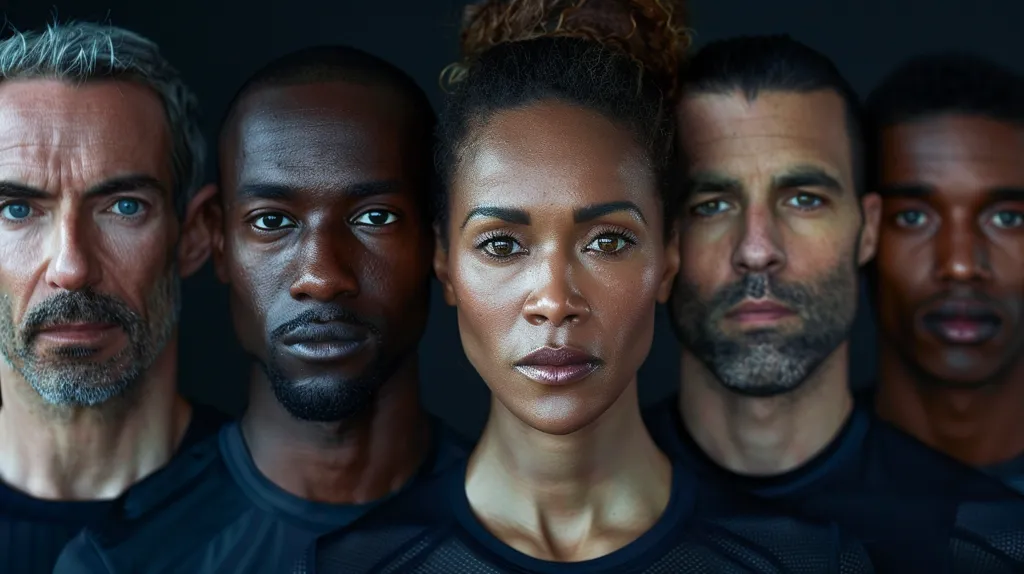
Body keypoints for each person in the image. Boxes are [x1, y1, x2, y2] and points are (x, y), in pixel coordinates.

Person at [309, 4, 874, 574]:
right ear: (444, 262)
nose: (554, 300)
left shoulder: (806, 562)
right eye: (502, 245)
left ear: (669, 254)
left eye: (606, 242)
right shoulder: (351, 567)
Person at [53, 46, 469, 574]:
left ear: (440, 245)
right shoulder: (120, 561)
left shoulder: (535, 538)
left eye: (375, 217)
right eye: (272, 222)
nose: (320, 277)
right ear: (218, 242)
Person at [645, 34, 1024, 572]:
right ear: (662, 241)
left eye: (804, 199)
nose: (757, 250)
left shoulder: (992, 542)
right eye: (711, 204)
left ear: (867, 231)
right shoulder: (555, 521)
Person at [0, 21, 227, 574]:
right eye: (16, 209)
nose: (72, 267)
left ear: (194, 233)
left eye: (124, 206)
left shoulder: (292, 523)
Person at [865, 54, 1024, 493]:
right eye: (913, 218)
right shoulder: (771, 513)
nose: (960, 266)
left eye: (1007, 219)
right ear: (861, 235)